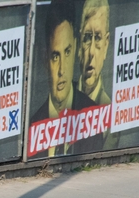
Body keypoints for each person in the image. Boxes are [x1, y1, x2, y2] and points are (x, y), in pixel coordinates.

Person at [30, 0, 101, 157]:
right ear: (45, 58)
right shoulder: (32, 126)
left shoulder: (92, 118)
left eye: (67, 52)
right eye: (55, 56)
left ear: (75, 48)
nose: (62, 70)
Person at [78, 0, 119, 150]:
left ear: (106, 44)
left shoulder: (109, 112)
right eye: (87, 38)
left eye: (98, 38)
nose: (91, 53)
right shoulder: (65, 98)